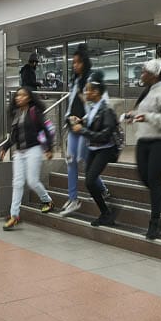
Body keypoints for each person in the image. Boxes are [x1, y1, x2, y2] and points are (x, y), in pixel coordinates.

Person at [126, 59, 161, 240]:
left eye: (144, 72)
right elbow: (144, 115)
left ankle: (155, 222)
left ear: (155, 75)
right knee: (144, 176)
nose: (141, 75)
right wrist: (132, 117)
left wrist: (148, 117)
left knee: (154, 180)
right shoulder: (148, 93)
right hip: (144, 141)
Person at [58, 46, 110, 216]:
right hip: (74, 127)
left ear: (85, 63)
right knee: (71, 161)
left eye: (78, 62)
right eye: (73, 62)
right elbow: (72, 103)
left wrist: (85, 119)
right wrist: (68, 117)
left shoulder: (92, 80)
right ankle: (73, 199)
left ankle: (101, 188)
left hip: (86, 128)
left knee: (84, 160)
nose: (75, 65)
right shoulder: (75, 80)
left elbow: (102, 104)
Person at [67, 71, 121, 226]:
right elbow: (92, 122)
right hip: (94, 148)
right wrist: (81, 121)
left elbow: (104, 134)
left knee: (90, 181)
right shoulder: (93, 108)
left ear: (96, 92)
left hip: (105, 149)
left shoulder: (107, 110)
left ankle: (107, 212)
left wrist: (81, 130)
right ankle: (106, 212)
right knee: (89, 181)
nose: (86, 93)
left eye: (88, 90)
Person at [0, 87, 55, 230]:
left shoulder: (35, 112)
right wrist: (5, 148)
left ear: (29, 98)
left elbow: (46, 130)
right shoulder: (17, 114)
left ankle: (47, 200)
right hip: (20, 152)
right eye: (17, 96)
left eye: (22, 95)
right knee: (17, 183)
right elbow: (13, 137)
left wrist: (48, 148)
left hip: (34, 149)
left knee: (32, 181)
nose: (19, 98)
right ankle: (14, 216)